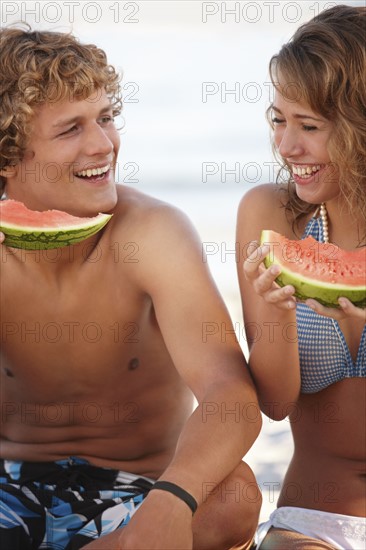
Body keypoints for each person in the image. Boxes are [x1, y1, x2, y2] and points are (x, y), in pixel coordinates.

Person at [0, 26, 262, 550]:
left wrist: (172, 502)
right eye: (70, 129)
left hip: (142, 489)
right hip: (10, 485)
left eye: (106, 117)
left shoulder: (155, 232)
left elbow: (230, 395)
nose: (103, 144)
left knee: (235, 495)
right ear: (8, 157)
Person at [236, 5, 365, 550]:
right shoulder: (273, 216)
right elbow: (277, 402)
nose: (287, 148)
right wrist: (277, 314)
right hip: (317, 516)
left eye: (309, 126)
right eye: (278, 120)